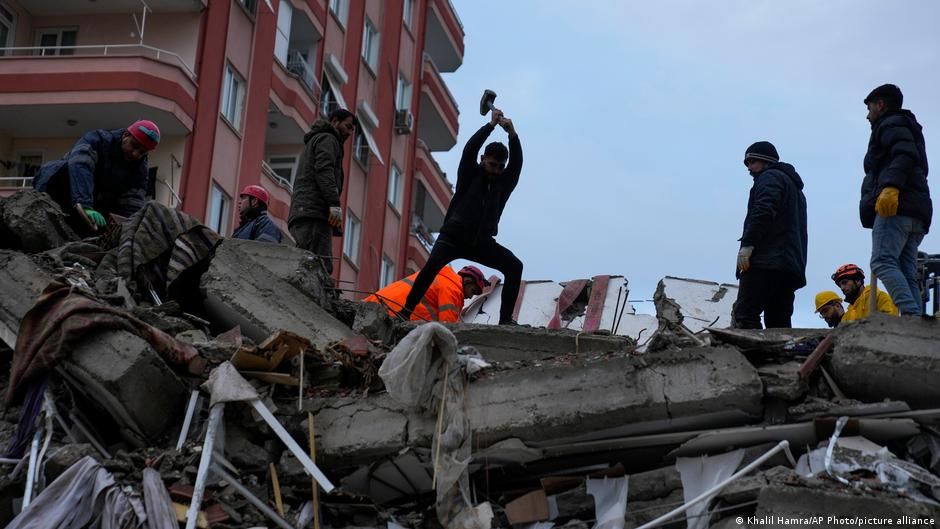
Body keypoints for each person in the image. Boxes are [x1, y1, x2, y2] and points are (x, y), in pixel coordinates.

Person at [397, 108, 523, 325]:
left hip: (481, 242)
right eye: (492, 165)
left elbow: (517, 163)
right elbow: (470, 148)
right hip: (453, 238)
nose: (495, 170)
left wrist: (512, 133)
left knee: (514, 266)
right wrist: (490, 126)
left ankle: (505, 321)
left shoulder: (504, 184)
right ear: (483, 159)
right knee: (429, 271)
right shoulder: (469, 173)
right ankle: (405, 313)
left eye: (500, 167)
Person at [860, 84, 932, 316]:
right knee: (905, 268)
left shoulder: (891, 123)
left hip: (896, 208)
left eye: (870, 108)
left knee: (881, 261)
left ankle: (910, 314)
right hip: (916, 209)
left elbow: (904, 154)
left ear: (881, 105)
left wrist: (891, 187)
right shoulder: (906, 126)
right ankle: (916, 322)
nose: (867, 114)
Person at [33, 119, 160, 233]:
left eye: (142, 152)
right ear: (126, 135)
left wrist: (125, 229)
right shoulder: (98, 140)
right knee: (64, 169)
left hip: (97, 203)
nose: (135, 154)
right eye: (134, 146)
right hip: (63, 190)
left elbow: (132, 202)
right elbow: (81, 166)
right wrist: (84, 204)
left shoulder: (140, 170)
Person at [732, 141, 808, 329]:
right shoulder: (795, 189)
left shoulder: (770, 178)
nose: (749, 167)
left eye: (753, 162)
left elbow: (763, 211)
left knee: (746, 315)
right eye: (747, 163)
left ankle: (750, 358)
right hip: (789, 266)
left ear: (766, 161)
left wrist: (748, 244)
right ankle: (781, 358)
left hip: (766, 262)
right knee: (778, 322)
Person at [288, 109, 357, 274]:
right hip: (314, 213)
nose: (349, 133)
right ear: (334, 121)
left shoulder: (320, 140)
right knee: (319, 267)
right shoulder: (328, 139)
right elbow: (324, 171)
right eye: (347, 126)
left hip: (307, 212)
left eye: (352, 130)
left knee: (309, 262)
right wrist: (334, 205)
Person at [364, 265, 486, 323]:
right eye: (472, 291)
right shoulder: (452, 289)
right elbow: (448, 327)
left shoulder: (438, 276)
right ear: (467, 281)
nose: (470, 296)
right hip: (388, 316)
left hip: (373, 306)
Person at [831, 263, 898, 323]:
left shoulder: (879, 297)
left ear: (858, 280)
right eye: (840, 286)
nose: (842, 288)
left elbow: (890, 323)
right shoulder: (847, 316)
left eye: (844, 282)